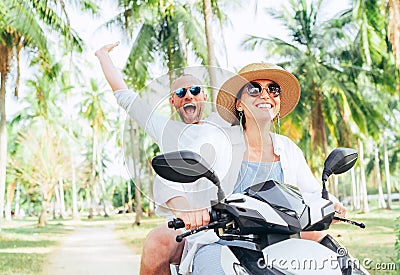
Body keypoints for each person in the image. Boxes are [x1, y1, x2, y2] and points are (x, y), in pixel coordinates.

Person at [185, 62, 346, 274]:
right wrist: (191, 209)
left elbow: (313, 193)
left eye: (273, 89)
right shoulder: (217, 144)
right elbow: (182, 183)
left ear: (277, 103)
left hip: (282, 244)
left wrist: (331, 203)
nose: (265, 95)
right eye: (254, 88)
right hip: (222, 243)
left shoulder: (288, 149)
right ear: (239, 104)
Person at [95, 42, 235, 275]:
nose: (188, 95)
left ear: (204, 96)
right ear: (173, 101)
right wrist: (102, 56)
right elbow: (125, 97)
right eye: (181, 93)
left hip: (236, 214)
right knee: (156, 245)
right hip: (191, 223)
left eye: (195, 90)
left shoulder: (224, 124)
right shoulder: (166, 129)